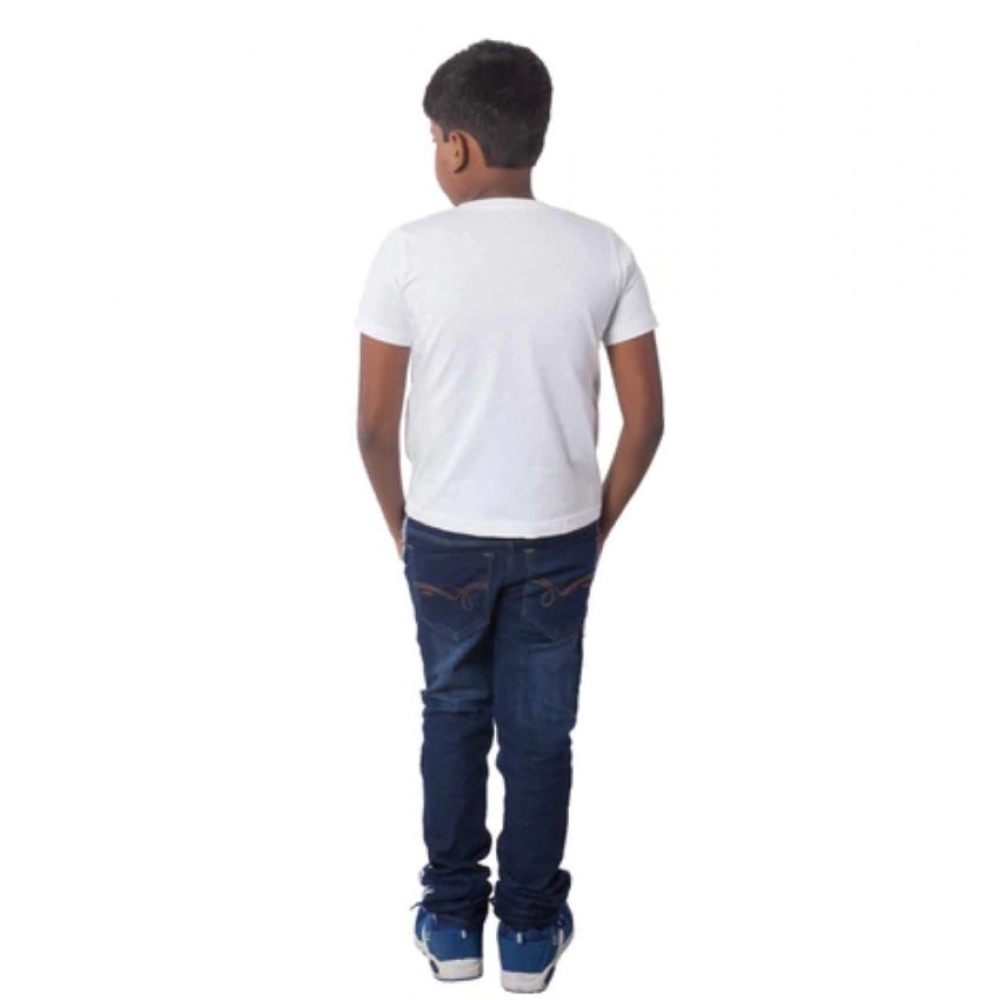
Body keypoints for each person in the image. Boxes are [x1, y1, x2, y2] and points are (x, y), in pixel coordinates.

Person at [354, 39, 663, 993]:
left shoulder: (409, 252)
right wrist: (595, 526)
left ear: (455, 145)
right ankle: (528, 932)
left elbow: (373, 425)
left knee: (452, 714)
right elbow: (648, 420)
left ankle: (453, 922)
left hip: (444, 535)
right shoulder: (603, 250)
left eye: (431, 139)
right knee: (540, 733)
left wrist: (402, 526)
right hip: (559, 538)